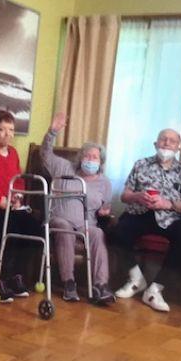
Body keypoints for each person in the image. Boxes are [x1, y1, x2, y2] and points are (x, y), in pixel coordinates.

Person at [113, 129, 181, 312]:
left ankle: (155, 289)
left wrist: (168, 203)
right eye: (163, 139)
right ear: (155, 143)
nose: (166, 143)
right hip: (140, 212)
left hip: (170, 216)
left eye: (172, 141)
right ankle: (136, 279)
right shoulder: (140, 164)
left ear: (178, 147)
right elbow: (124, 196)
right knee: (116, 232)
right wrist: (137, 196)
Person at [41, 113, 115, 303]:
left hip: (85, 224)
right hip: (60, 219)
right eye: (87, 155)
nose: (90, 159)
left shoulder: (105, 183)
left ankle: (100, 286)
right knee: (64, 228)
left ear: (101, 162)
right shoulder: (64, 167)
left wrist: (105, 213)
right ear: (80, 158)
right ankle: (68, 282)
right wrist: (52, 132)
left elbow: (105, 208)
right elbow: (45, 154)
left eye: (95, 157)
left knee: (97, 233)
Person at [0, 110, 42, 302]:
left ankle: (15, 275)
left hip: (12, 206)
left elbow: (18, 181)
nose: (7, 134)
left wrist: (18, 197)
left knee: (34, 230)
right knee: (9, 229)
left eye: (11, 130)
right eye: (2, 130)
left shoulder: (12, 153)